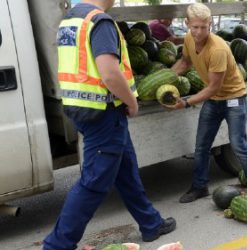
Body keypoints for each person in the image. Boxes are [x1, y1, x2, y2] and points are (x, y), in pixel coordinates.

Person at [43, 1, 176, 249]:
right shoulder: (100, 21)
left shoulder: (72, 19)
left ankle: (151, 223)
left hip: (80, 107)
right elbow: (109, 73)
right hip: (103, 112)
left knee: (126, 168)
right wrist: (131, 102)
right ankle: (57, 245)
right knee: (94, 182)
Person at [168, 3, 247, 203]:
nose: (198, 32)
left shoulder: (218, 49)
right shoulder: (189, 39)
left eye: (204, 27)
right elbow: (185, 63)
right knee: (201, 146)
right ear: (187, 23)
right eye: (195, 27)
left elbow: (213, 87)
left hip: (233, 99)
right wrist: (165, 78)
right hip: (213, 101)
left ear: (210, 24)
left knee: (238, 144)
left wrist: (186, 103)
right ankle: (199, 186)